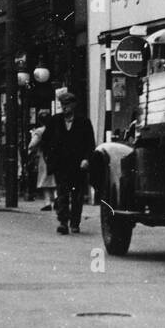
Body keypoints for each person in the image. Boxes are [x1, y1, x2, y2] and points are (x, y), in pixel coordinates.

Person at [45, 88, 96, 235]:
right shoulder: (55, 121)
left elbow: (90, 143)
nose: (64, 107)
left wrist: (86, 159)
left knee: (77, 195)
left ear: (74, 105)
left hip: (78, 165)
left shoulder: (84, 122)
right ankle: (63, 222)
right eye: (62, 105)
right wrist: (50, 157)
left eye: (67, 104)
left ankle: (75, 223)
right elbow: (46, 141)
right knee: (62, 194)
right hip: (61, 165)